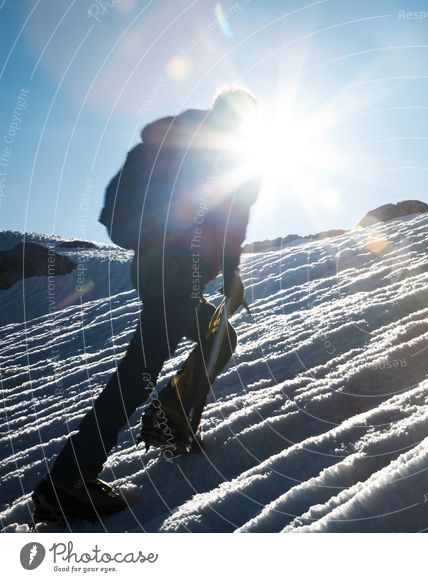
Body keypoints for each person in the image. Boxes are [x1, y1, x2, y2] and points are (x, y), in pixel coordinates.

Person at [32, 86, 263, 522]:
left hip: (162, 269)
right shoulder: (217, 152)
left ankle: (170, 414)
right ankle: (68, 479)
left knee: (217, 336)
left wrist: (225, 271)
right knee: (140, 369)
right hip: (172, 271)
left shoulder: (190, 140)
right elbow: (226, 220)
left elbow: (228, 222)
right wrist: (211, 264)